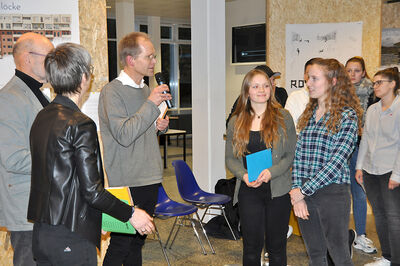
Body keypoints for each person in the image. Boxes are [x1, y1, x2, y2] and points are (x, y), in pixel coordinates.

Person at [27, 42, 154, 266]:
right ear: (84, 77)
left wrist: (97, 218)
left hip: (42, 233)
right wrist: (131, 214)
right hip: (71, 237)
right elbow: (92, 192)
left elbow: (63, 181)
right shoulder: (80, 123)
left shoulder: (42, 116)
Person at [98, 32, 171, 265]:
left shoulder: (144, 89)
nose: (153, 62)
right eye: (149, 57)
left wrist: (158, 127)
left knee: (138, 242)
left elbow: (141, 129)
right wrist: (151, 104)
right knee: (121, 244)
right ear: (130, 60)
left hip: (149, 176)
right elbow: (124, 135)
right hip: (128, 180)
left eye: (154, 57)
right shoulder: (112, 91)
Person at [290, 58, 362, 266]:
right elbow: (299, 155)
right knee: (315, 255)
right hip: (304, 193)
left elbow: (337, 161)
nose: (308, 83)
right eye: (307, 78)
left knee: (339, 255)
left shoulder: (347, 116)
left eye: (314, 78)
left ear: (333, 81)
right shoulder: (309, 114)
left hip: (332, 193)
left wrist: (302, 191)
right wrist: (297, 192)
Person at [226, 69, 296, 266]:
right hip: (249, 190)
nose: (262, 90)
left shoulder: (284, 117)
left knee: (277, 247)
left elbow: (290, 154)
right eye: (256, 86)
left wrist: (271, 172)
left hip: (278, 190)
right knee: (251, 248)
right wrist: (244, 175)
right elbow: (230, 158)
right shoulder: (236, 121)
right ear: (247, 91)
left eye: (266, 85)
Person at [0, 32, 53, 266]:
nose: (54, 62)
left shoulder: (38, 94)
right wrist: (60, 159)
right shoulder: (9, 99)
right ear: (28, 58)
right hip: (26, 210)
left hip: (43, 205)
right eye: (49, 56)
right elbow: (13, 158)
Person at [355, 67, 400, 266]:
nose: (375, 86)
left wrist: (397, 174)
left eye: (379, 82)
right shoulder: (372, 109)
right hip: (370, 170)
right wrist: (359, 167)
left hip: (391, 171)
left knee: (394, 217)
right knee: (379, 214)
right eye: (374, 83)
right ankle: (388, 257)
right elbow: (365, 140)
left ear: (393, 84)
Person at [344, 56, 377, 254]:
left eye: (357, 70)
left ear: (363, 72)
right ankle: (341, 234)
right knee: (339, 192)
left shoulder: (373, 92)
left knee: (358, 192)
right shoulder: (337, 91)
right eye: (349, 70)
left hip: (360, 147)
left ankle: (361, 235)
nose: (352, 74)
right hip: (340, 147)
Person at [285, 57, 321, 132]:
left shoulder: (328, 98)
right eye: (309, 74)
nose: (312, 78)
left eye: (315, 75)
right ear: (304, 76)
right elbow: (288, 126)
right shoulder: (295, 97)